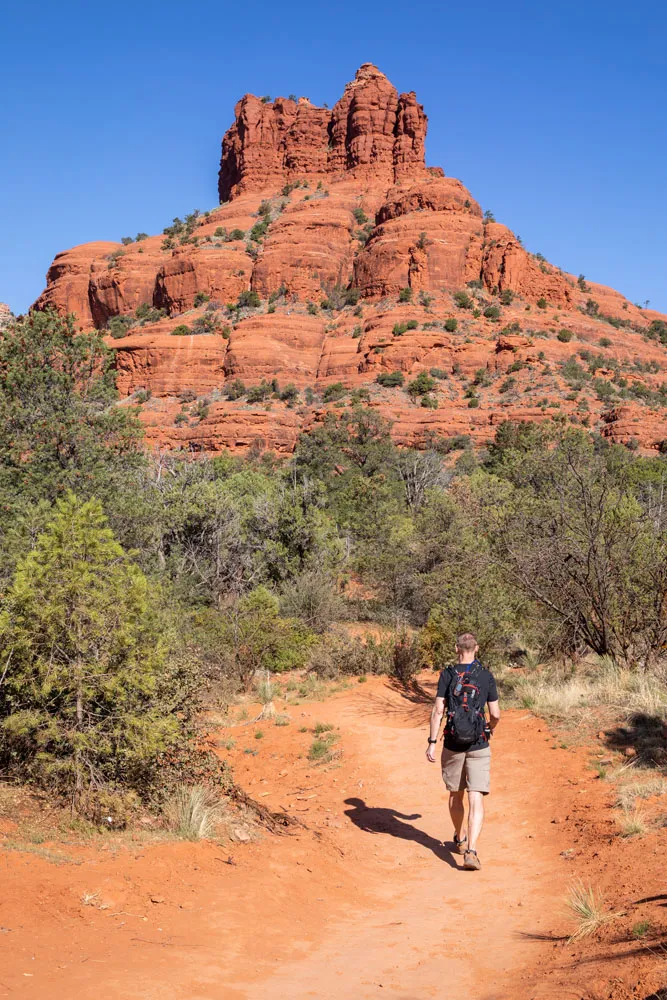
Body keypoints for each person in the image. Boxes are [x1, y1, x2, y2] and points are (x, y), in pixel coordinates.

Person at [425, 632, 500, 870]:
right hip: (478, 743)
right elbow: (496, 713)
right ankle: (472, 850)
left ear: (457, 648)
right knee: (475, 795)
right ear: (476, 648)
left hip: (453, 743)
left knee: (455, 795)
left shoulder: (447, 675)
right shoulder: (486, 675)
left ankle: (460, 837)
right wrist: (489, 728)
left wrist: (432, 741)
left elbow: (438, 710)